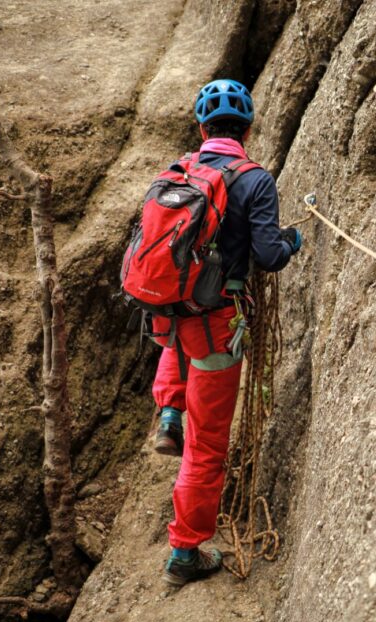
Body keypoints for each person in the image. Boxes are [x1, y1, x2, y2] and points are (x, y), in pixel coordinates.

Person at [149, 79, 302, 586]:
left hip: (172, 313)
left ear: (201, 128)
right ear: (249, 129)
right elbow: (269, 257)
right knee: (207, 447)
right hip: (218, 324)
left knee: (177, 329)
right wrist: (292, 239)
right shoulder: (255, 180)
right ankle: (185, 553)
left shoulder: (180, 170)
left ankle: (169, 412)